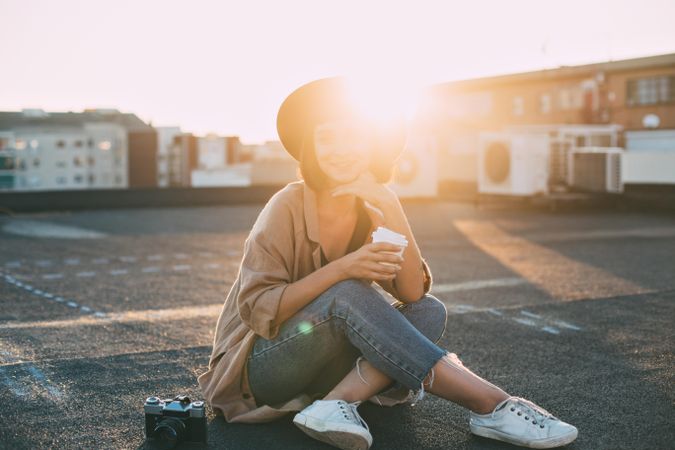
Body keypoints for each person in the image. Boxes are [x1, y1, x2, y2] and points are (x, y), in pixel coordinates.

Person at [197, 77, 578, 450]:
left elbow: (412, 291)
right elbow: (258, 309)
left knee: (429, 311)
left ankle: (334, 403)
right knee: (347, 294)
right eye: (326, 137)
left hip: (325, 365)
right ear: (310, 147)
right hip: (262, 368)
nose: (340, 149)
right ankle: (491, 404)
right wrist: (346, 268)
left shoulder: (372, 205)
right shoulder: (287, 205)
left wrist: (390, 203)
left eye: (353, 136)